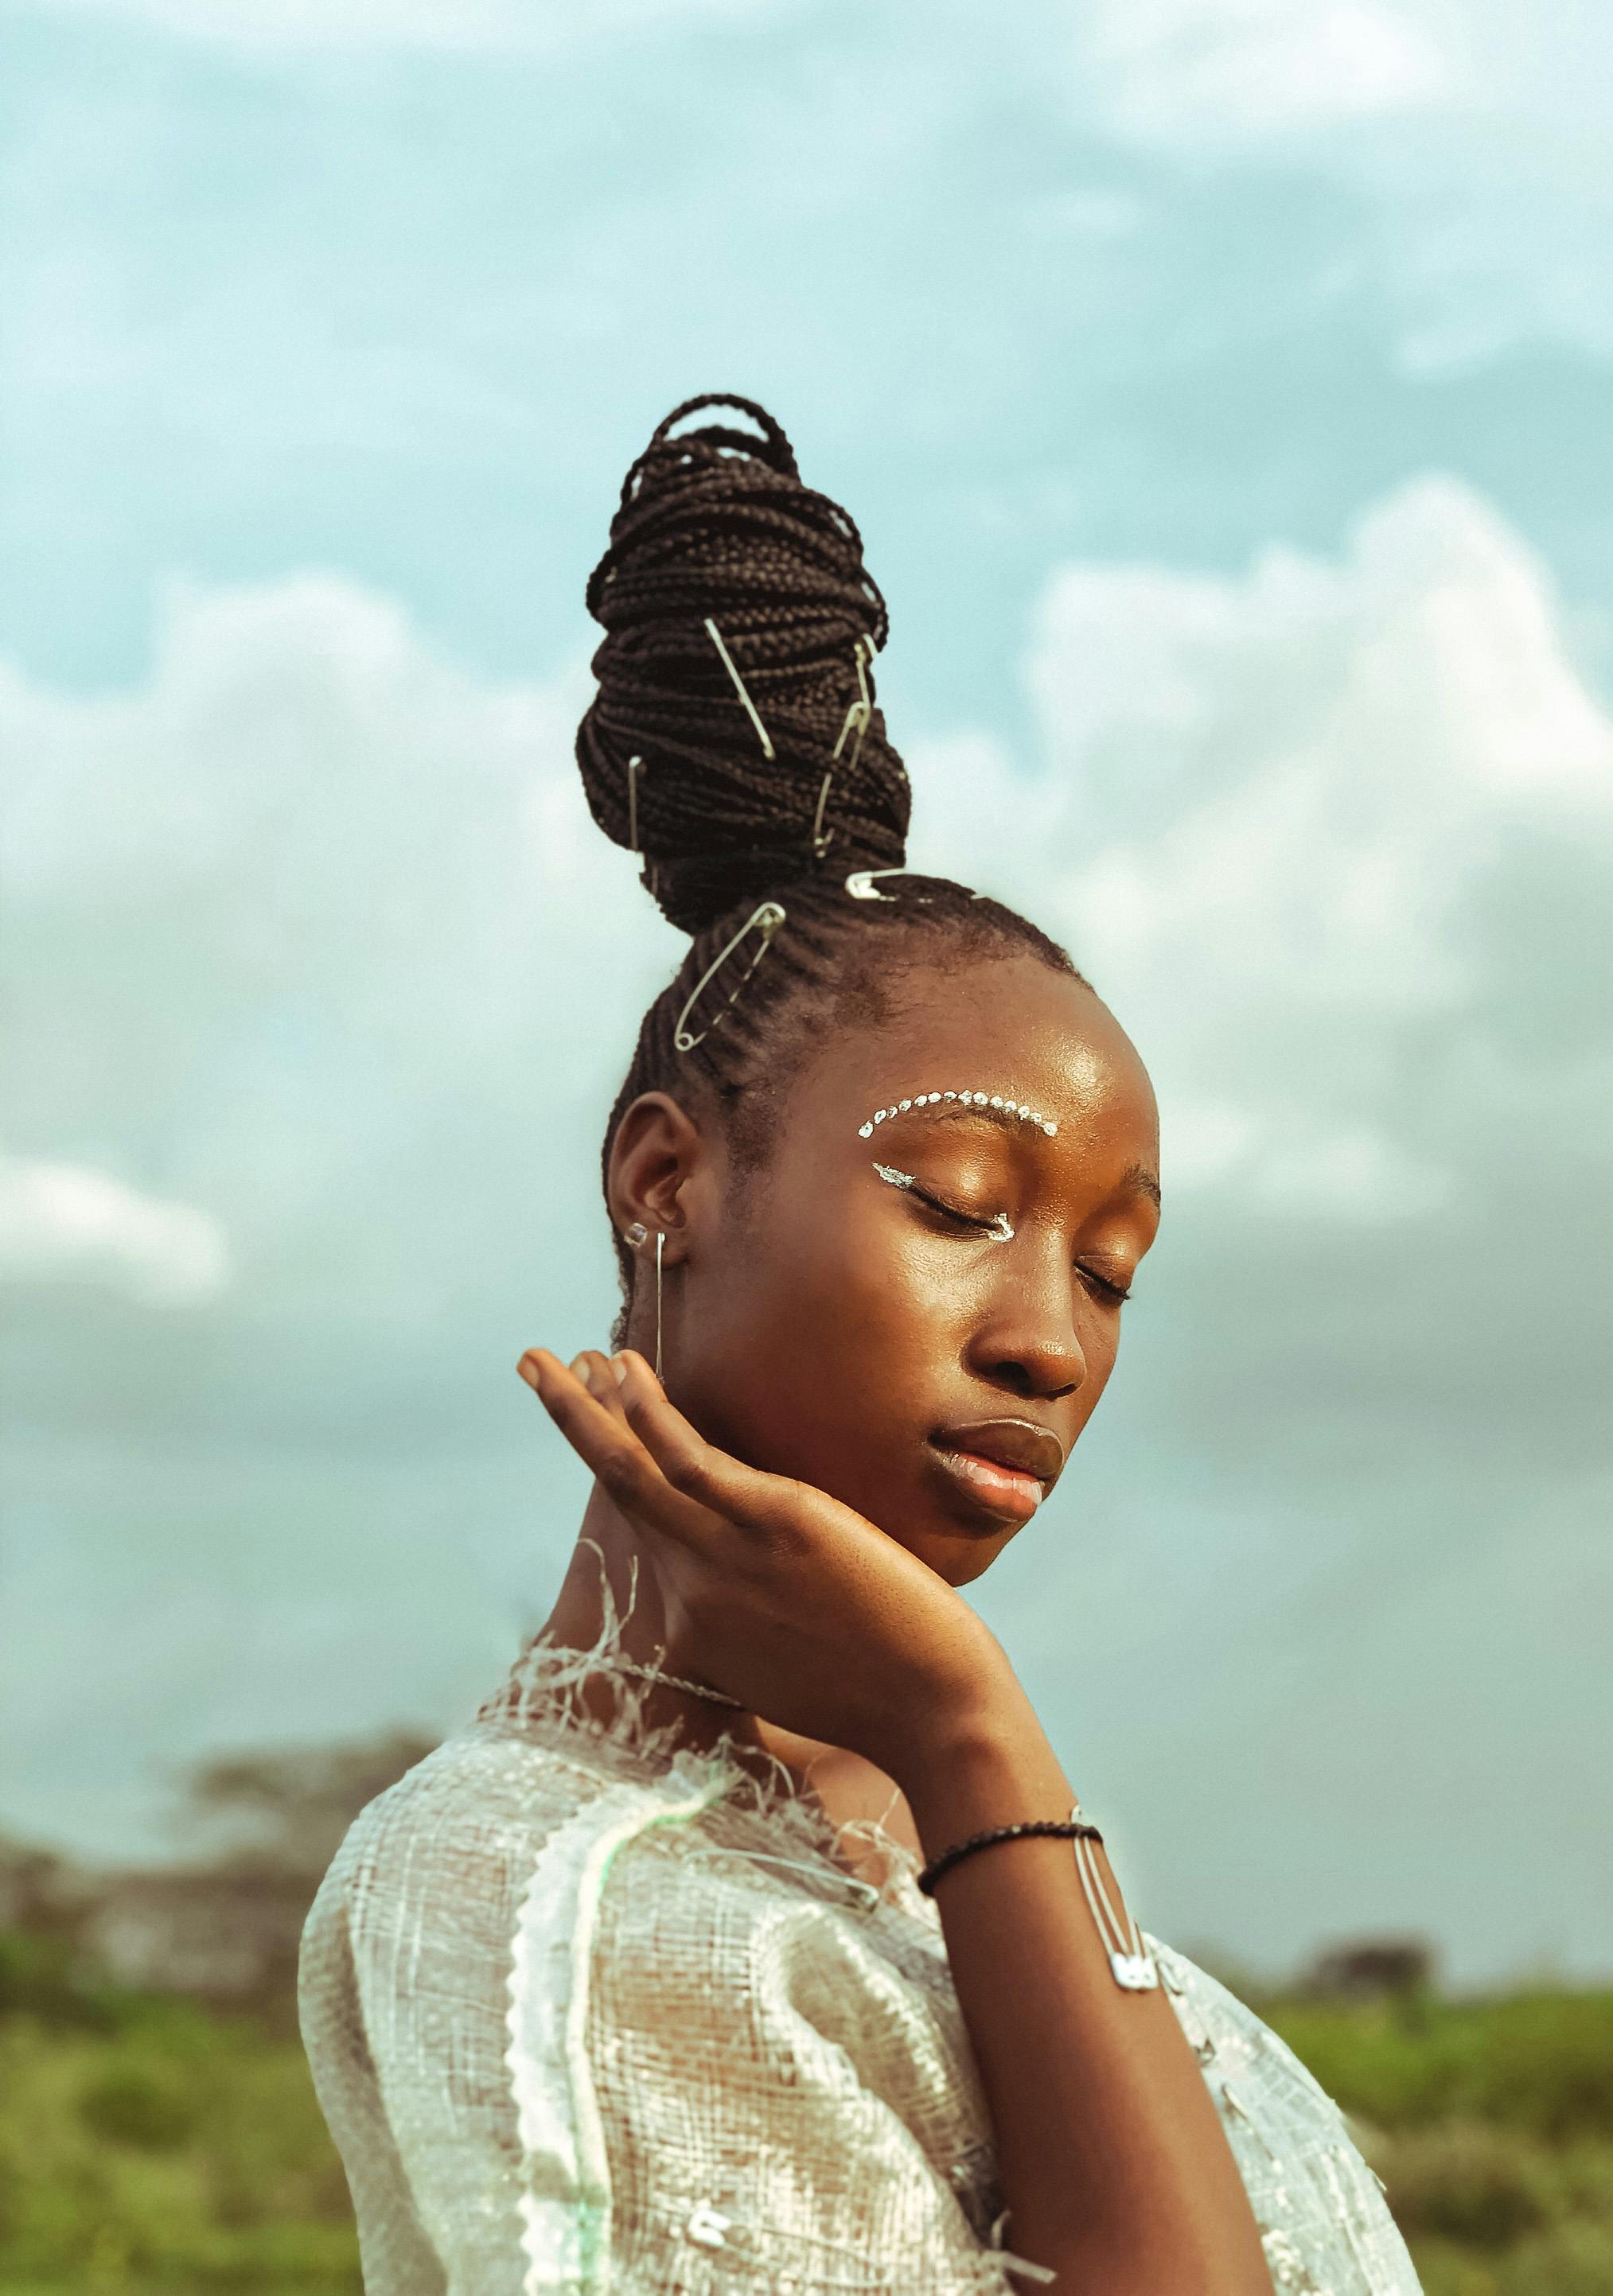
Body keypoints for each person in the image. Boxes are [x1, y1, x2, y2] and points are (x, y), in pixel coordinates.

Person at [298, 394, 1424, 2296]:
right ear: (666, 1176)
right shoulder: (539, 1893)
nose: (1054, 1344)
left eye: (1115, 1273)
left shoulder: (978, 1894)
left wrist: (968, 1778)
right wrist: (971, 1732)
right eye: (961, 1203)